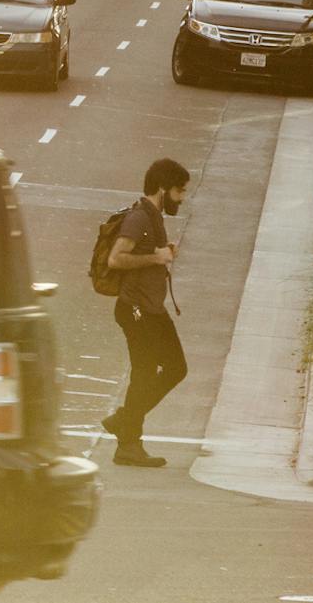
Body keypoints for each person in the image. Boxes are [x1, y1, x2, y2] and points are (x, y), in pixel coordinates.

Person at [104, 158, 190, 468]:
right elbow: (116, 259)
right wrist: (156, 258)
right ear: (163, 188)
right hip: (136, 309)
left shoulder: (153, 216)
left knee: (176, 368)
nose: (182, 198)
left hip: (151, 308)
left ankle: (124, 421)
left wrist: (160, 253)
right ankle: (128, 444)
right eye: (179, 191)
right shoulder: (139, 218)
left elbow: (144, 253)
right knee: (144, 374)